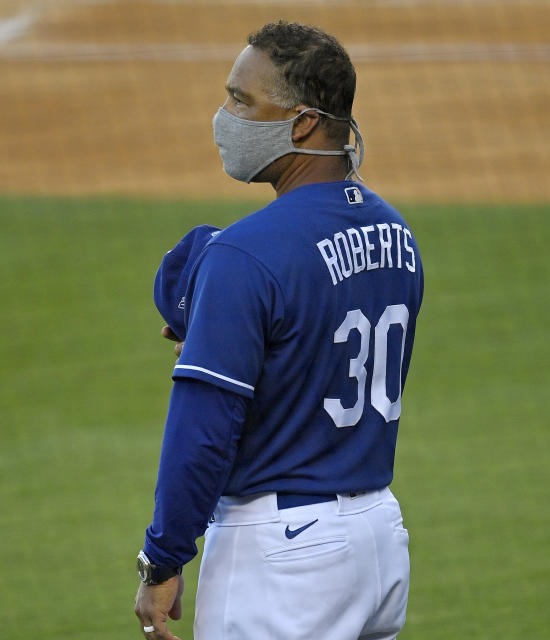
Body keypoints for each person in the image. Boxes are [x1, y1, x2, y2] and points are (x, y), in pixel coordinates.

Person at [134, 21, 424, 640]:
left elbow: (203, 433)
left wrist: (161, 559)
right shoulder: (396, 235)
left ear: (301, 123)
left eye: (242, 101)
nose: (224, 116)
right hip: (379, 541)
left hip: (283, 558)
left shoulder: (247, 254)